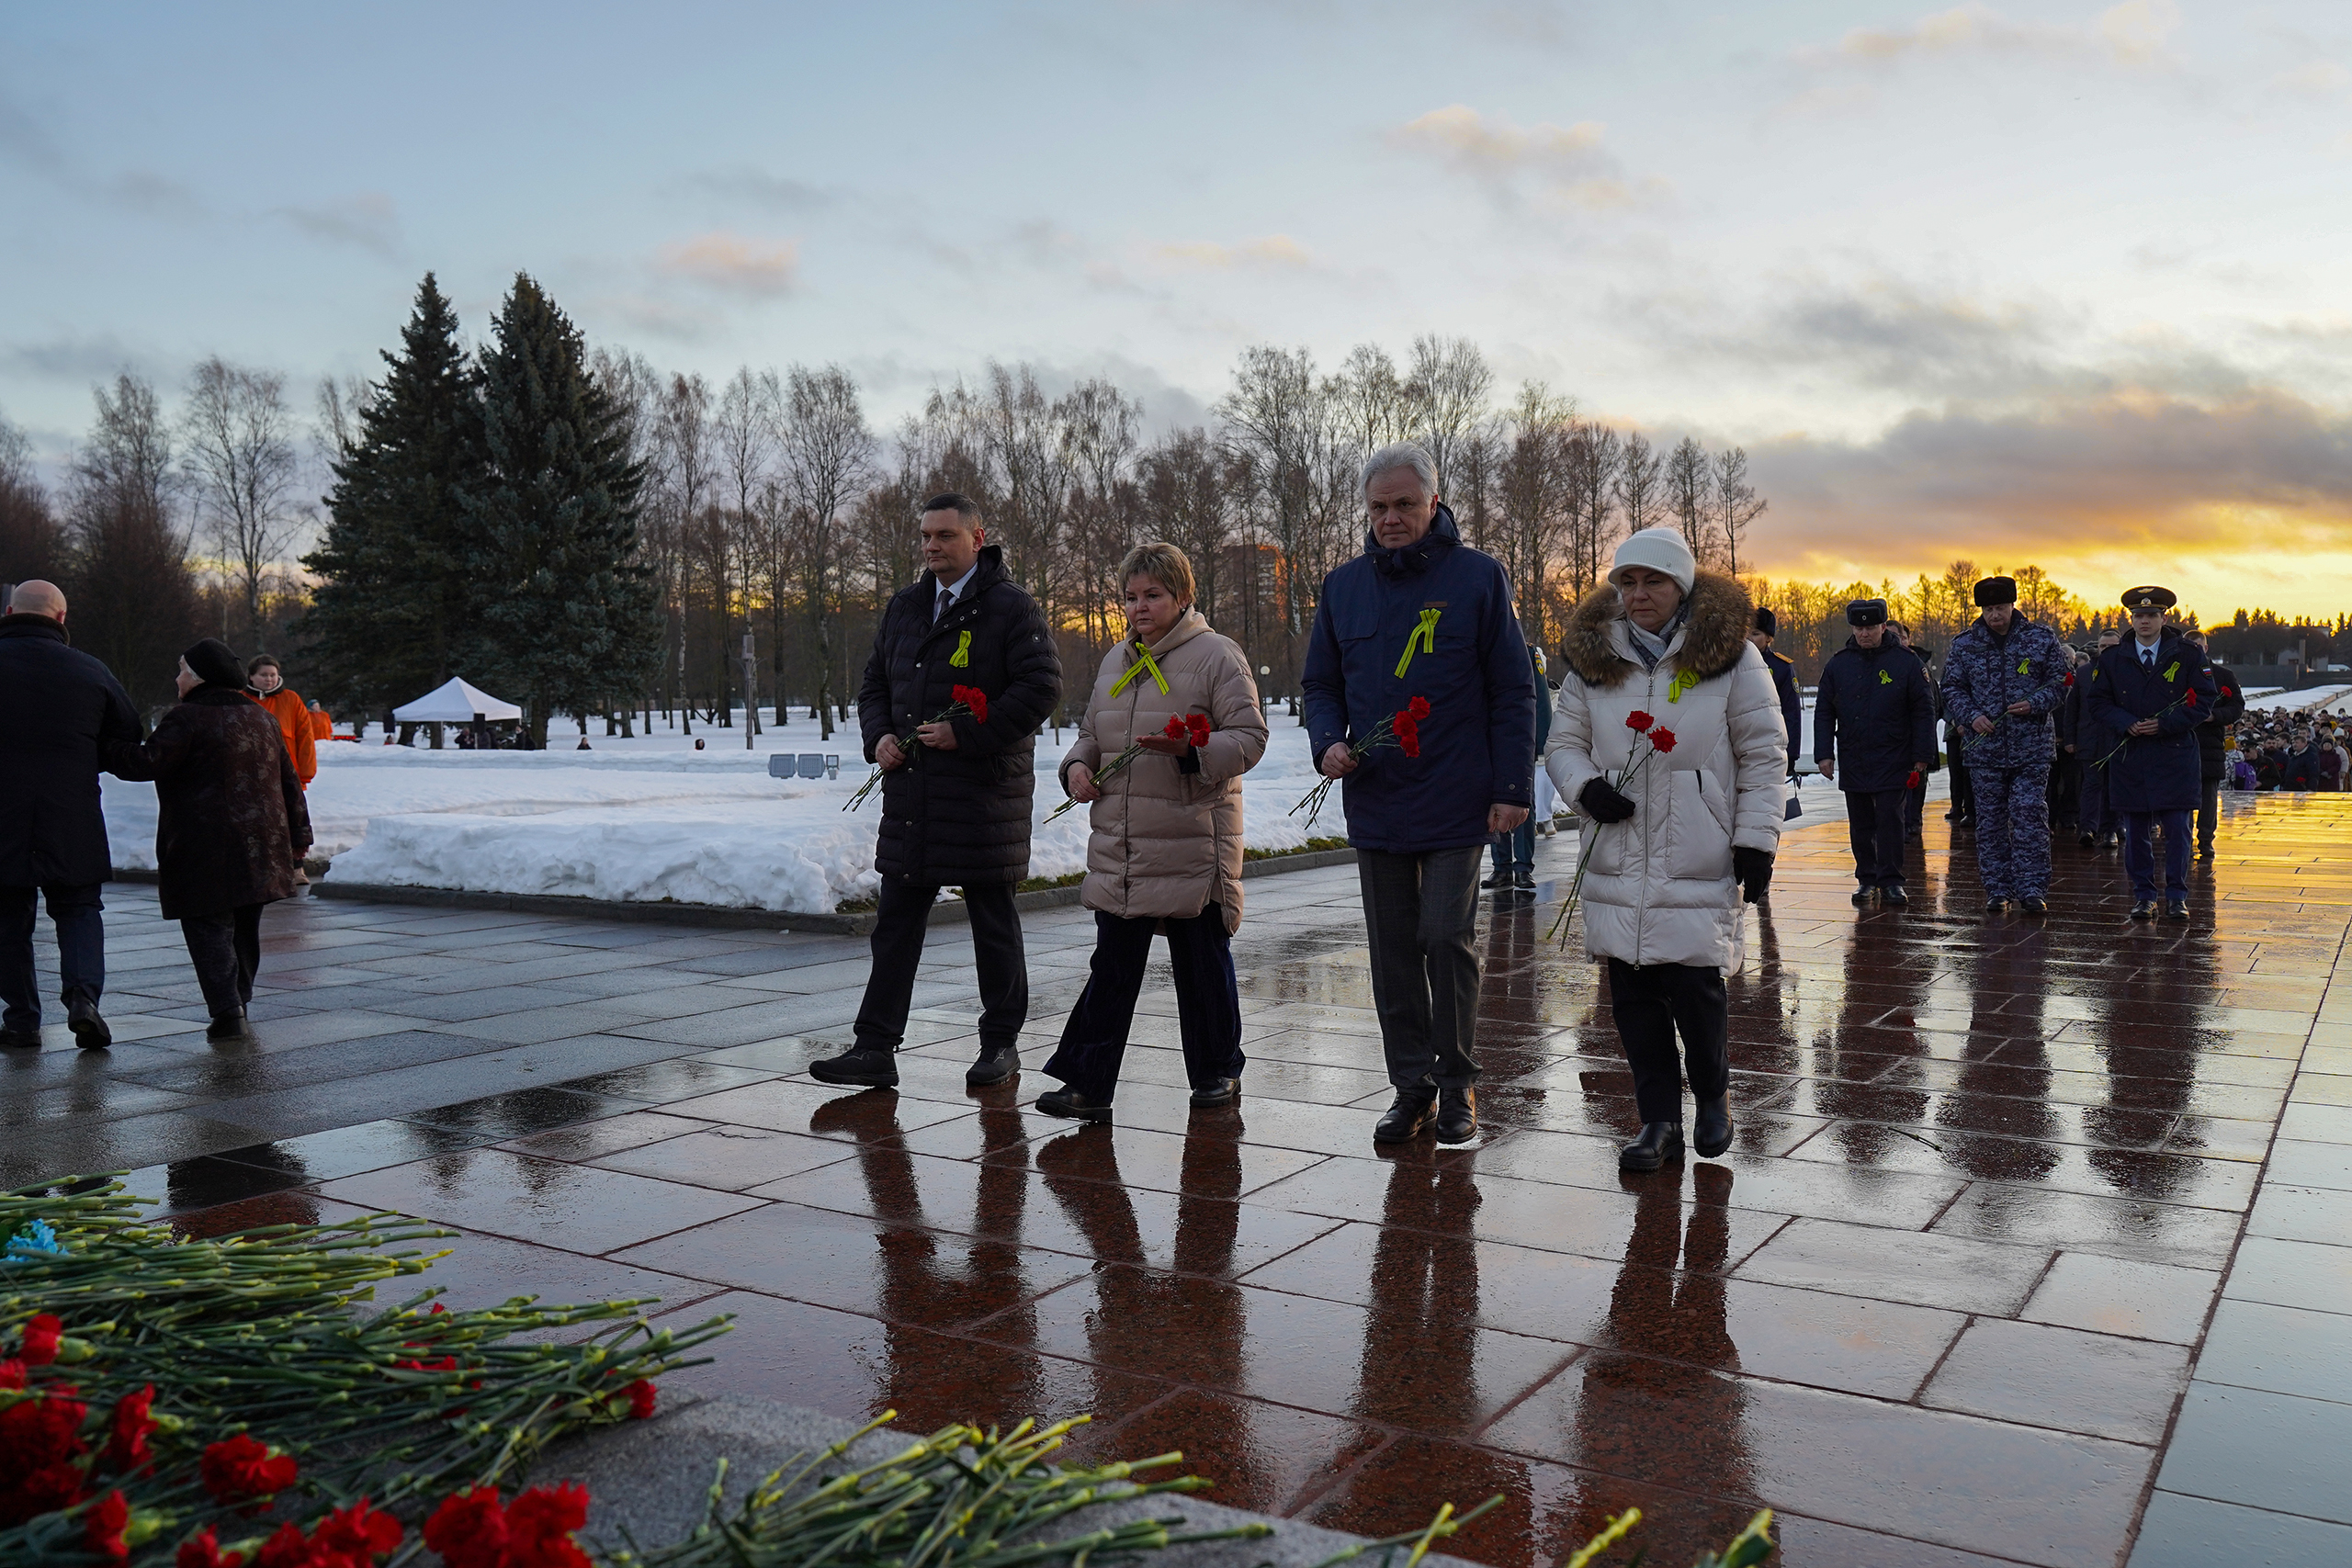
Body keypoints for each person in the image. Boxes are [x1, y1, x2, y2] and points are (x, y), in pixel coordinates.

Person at [1302, 441, 1535, 1147]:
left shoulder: (1478, 579)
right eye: (1379, 507)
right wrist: (1326, 741)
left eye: (1405, 504)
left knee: (1443, 935)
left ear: (1434, 503)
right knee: (1393, 950)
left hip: (1457, 792)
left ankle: (1458, 1080)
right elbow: (1321, 683)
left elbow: (1512, 687)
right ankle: (1413, 1087)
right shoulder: (1343, 588)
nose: (1391, 518)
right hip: (1376, 795)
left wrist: (1512, 784)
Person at [1547, 527, 1783, 1172]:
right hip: (1618, 851)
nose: (1639, 593)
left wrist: (1756, 839)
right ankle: (1657, 1119)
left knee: (1695, 987)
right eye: (1627, 580)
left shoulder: (1730, 658)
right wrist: (1585, 788)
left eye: (1653, 580)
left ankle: (1713, 1094)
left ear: (1680, 585)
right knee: (1631, 996)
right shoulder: (1595, 661)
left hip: (1697, 847)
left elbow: (1763, 756)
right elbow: (1562, 743)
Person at [814, 493, 1063, 1089]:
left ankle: (1000, 1044)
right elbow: (875, 684)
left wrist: (966, 733)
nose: (931, 545)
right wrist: (879, 738)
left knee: (993, 924)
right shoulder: (905, 607)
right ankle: (875, 1046)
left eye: (945, 535)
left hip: (982, 797)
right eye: (925, 535)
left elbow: (1041, 688)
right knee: (894, 923)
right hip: (914, 798)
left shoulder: (1011, 607)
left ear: (977, 538)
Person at [1037, 542, 1268, 1121]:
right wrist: (1077, 768)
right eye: (1131, 597)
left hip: (1192, 839)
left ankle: (1218, 1071)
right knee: (1112, 966)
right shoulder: (1117, 660)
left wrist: (1193, 750)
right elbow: (1091, 733)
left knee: (1200, 964)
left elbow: (1249, 738)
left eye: (1153, 595)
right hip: (1123, 843)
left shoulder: (1218, 656)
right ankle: (1087, 1083)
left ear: (1182, 596)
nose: (1140, 608)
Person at [108, 639, 312, 1040]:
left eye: (182, 669)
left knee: (208, 927)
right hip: (262, 846)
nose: (177, 678)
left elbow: (146, 763)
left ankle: (227, 1011)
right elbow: (291, 783)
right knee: (244, 927)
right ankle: (240, 1001)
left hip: (204, 846)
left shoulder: (187, 718)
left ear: (199, 678)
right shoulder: (261, 717)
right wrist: (299, 839)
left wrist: (105, 744)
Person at [0, 580, 145, 1050]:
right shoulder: (90, 669)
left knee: (8, 920)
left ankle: (21, 1021)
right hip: (72, 812)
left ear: (7, 612)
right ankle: (83, 999)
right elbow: (126, 732)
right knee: (80, 908)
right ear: (61, 618)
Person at [2084, 587, 2216, 921]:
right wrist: (2126, 723)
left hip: (2173, 754)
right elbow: (2098, 702)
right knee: (2137, 833)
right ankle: (2144, 895)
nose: (2144, 621)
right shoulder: (2113, 658)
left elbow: (2204, 700)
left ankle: (2176, 896)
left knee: (2178, 831)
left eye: (2151, 615)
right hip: (2132, 756)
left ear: (2163, 618)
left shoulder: (2186, 654)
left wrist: (2164, 724)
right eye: (2138, 616)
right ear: (2131, 619)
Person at [1940, 576, 2070, 915]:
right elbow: (1952, 688)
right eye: (1987, 609)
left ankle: (2032, 888)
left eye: (1999, 608)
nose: (1994, 615)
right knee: (1990, 820)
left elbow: (2061, 681)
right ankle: (1997, 888)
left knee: (2029, 814)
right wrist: (1971, 716)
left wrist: (2035, 703)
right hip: (1985, 750)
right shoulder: (1965, 644)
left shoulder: (2040, 638)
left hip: (2032, 747)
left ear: (2013, 605)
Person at [1813, 599, 1935, 908]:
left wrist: (1922, 755)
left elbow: (1923, 710)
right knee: (1861, 822)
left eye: (1870, 627)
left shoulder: (1905, 663)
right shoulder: (1839, 664)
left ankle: (1892, 880)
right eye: (1859, 627)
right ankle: (1866, 878)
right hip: (1855, 754)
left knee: (1891, 819)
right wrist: (1824, 753)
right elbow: (1824, 710)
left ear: (1883, 626)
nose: (1864, 634)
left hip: (1894, 754)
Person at [1485, 645, 1553, 892]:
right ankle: (1501, 866)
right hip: (1489, 737)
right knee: (1495, 801)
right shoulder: (1485, 647)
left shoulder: (1527, 651)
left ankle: (1523, 867)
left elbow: (1540, 698)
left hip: (1520, 742)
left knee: (1523, 802)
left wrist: (1541, 739)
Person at [246, 654, 318, 885]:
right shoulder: (240, 699)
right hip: (250, 775)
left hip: (286, 775)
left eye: (272, 675)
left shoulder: (291, 699)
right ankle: (260, 870)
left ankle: (297, 869)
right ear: (251, 677)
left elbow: (305, 737)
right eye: (263, 675)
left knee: (291, 822)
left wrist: (305, 773)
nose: (268, 679)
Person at [2181, 629, 2245, 859]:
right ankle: (2182, 838)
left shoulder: (2222, 675)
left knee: (2208, 795)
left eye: (2198, 647)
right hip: (2181, 741)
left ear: (2205, 648)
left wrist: (2214, 715)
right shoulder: (2175, 671)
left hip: (2210, 744)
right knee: (2182, 797)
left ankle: (2206, 839)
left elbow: (2236, 706)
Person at [2072, 630, 2125, 849]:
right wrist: (2070, 738)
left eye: (2112, 646)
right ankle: (2088, 828)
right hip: (2090, 740)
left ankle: (2110, 829)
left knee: (2115, 786)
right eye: (2103, 646)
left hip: (2118, 740)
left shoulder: (2128, 672)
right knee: (2091, 786)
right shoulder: (2084, 673)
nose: (2107, 650)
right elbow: (2073, 708)